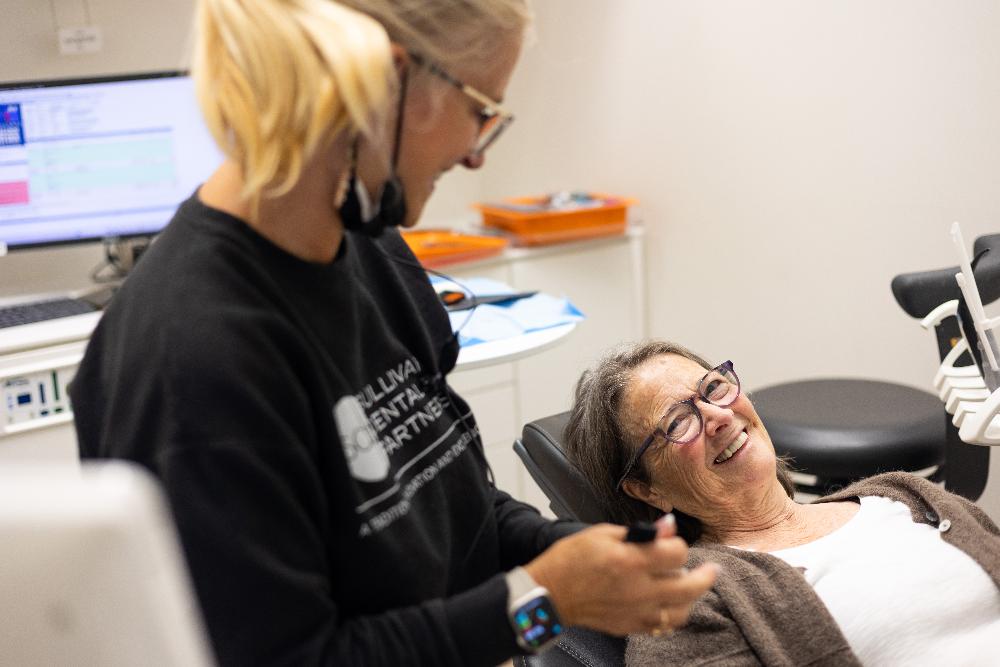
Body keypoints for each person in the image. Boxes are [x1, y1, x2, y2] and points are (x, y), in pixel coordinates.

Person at [69, 2, 717, 665]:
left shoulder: (367, 241)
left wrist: (570, 554)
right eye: (479, 110)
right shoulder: (194, 358)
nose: (474, 154)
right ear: (387, 83)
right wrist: (543, 600)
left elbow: (442, 495)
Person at [565, 340, 1000, 666]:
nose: (717, 416)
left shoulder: (902, 494)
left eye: (713, 388)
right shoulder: (692, 604)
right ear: (647, 490)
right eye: (677, 421)